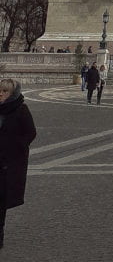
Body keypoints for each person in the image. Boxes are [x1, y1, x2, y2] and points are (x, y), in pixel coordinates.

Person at [0, 79, 36, 250]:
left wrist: (15, 147)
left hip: (7, 166)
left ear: (12, 94)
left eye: (5, 91)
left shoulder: (21, 110)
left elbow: (30, 133)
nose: (1, 94)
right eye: (0, 90)